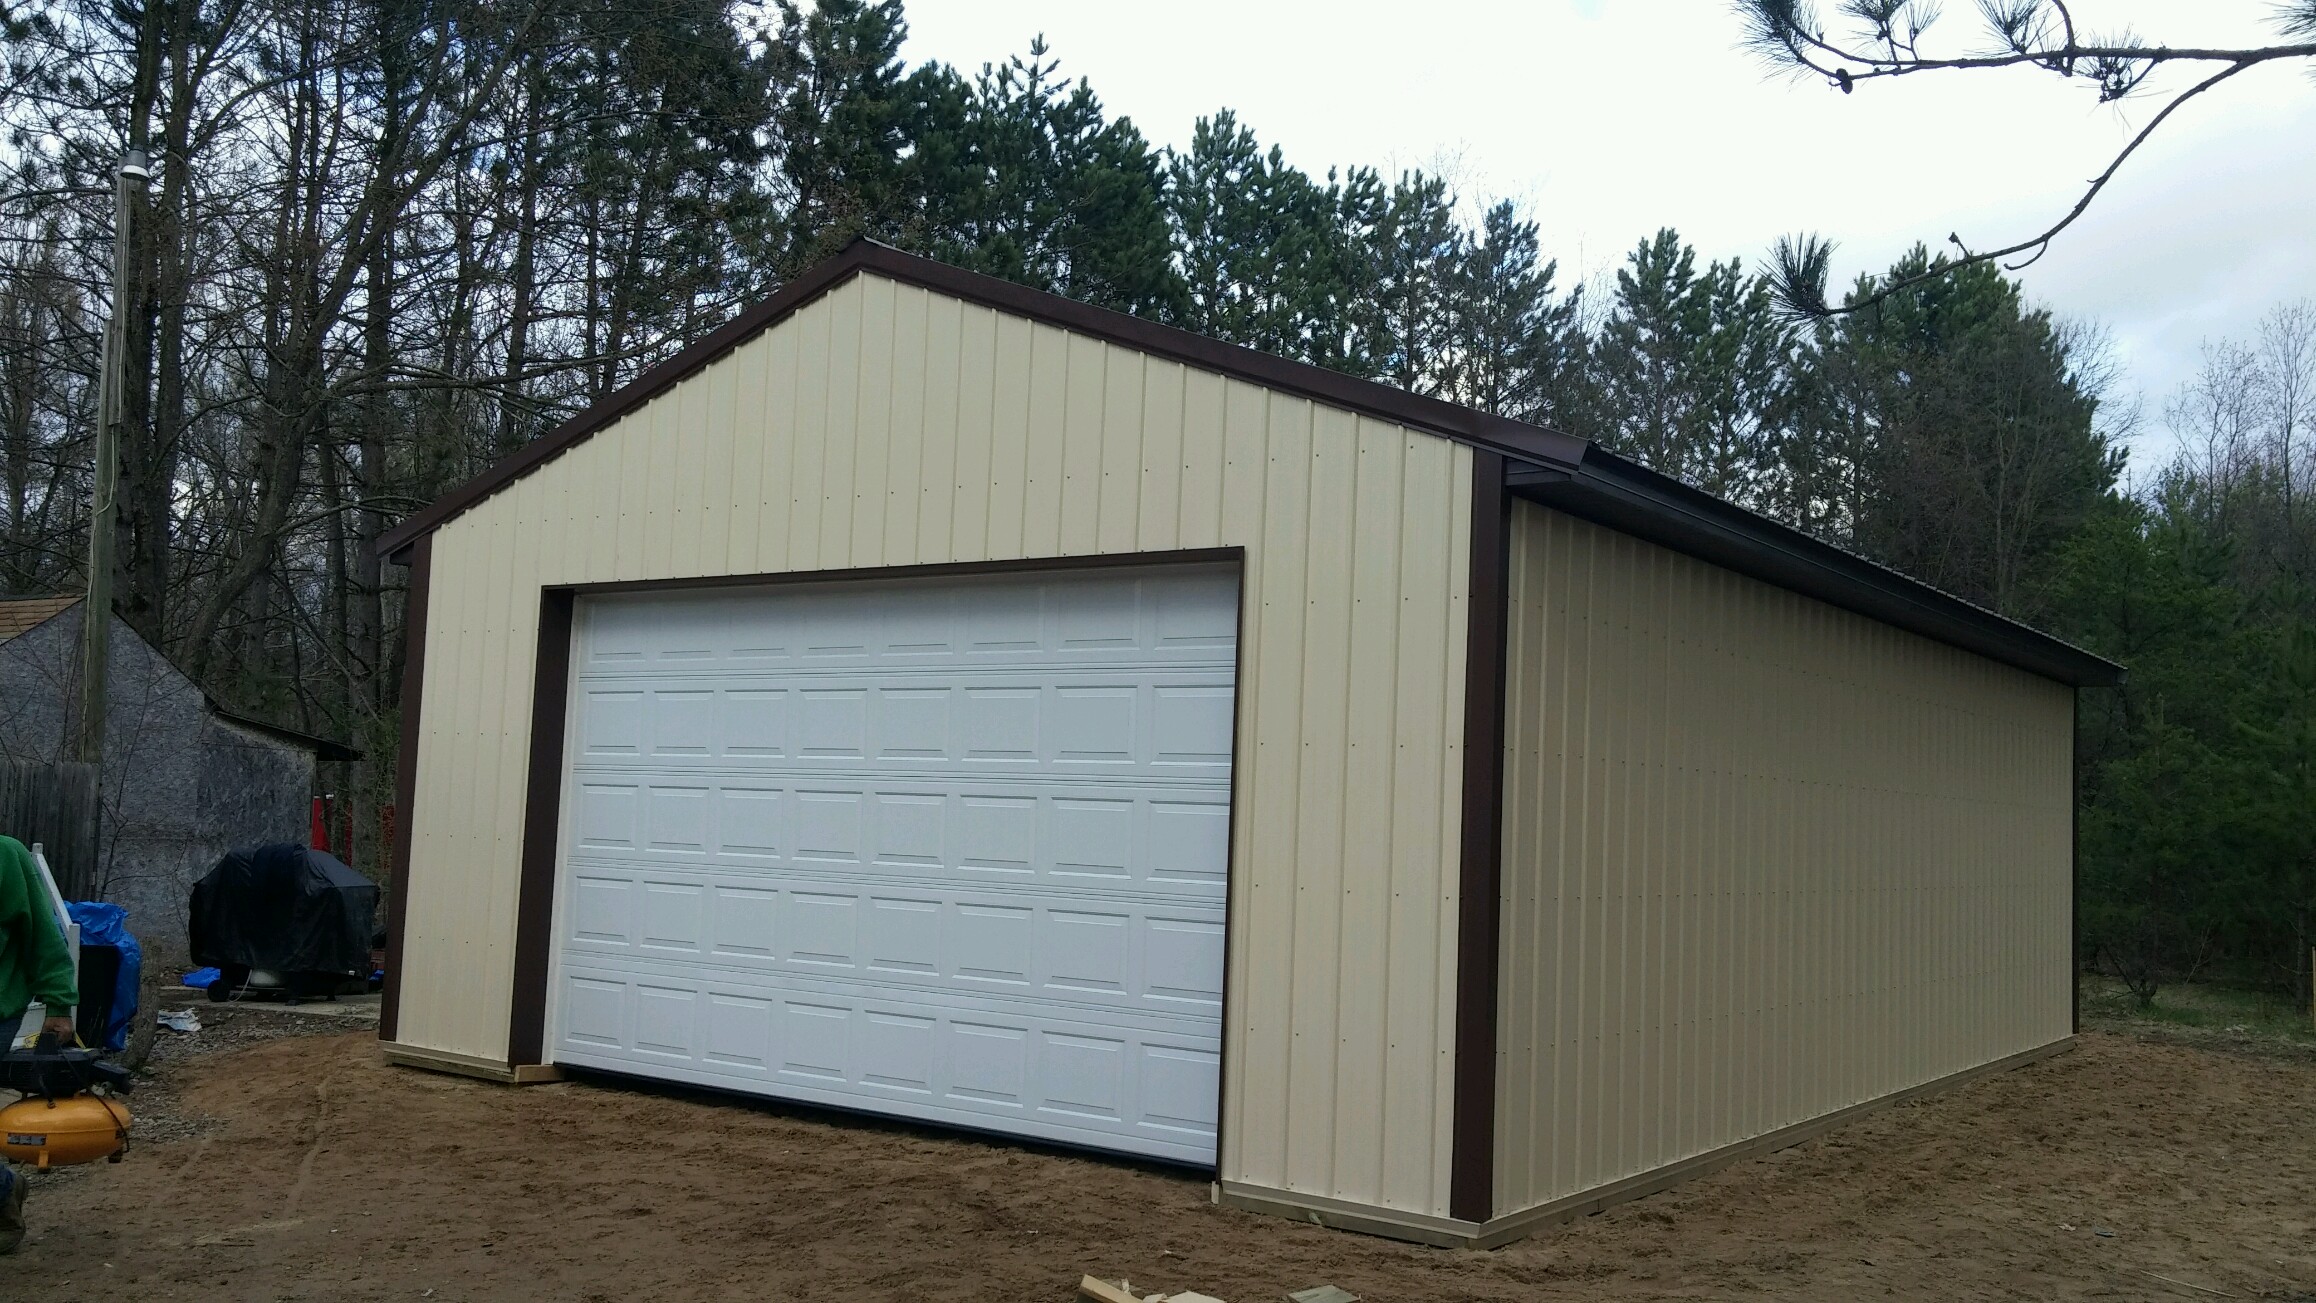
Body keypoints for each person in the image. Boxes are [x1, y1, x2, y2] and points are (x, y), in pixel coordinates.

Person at [0, 833, 78, 1256]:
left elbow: (43, 938)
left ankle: (3, 1203)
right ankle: (6, 1186)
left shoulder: (7, 857)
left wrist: (59, 1003)